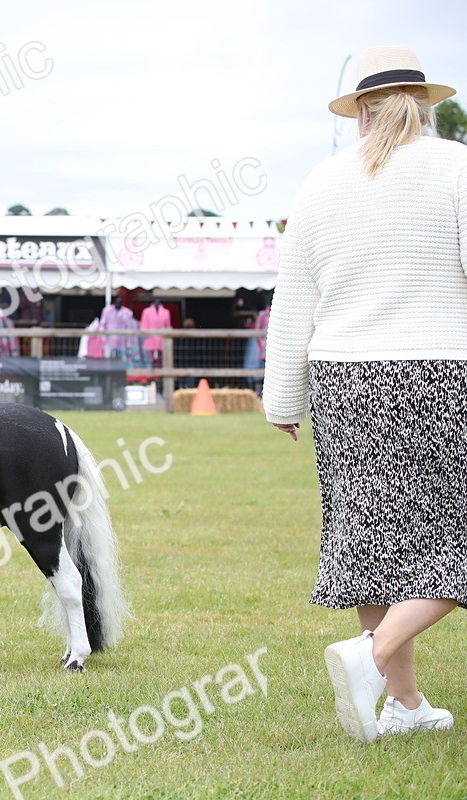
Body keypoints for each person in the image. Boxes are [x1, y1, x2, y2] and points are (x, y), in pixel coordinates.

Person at [263, 45, 465, 743]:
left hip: (345, 381)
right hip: (441, 372)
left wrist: (283, 400)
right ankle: (372, 659)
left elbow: (295, 299)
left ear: (360, 115)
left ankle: (405, 708)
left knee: (371, 542)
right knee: (452, 535)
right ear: (426, 105)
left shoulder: (320, 182)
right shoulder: (459, 168)